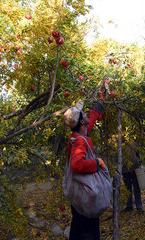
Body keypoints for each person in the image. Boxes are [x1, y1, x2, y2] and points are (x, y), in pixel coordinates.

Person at [63, 91, 106, 240]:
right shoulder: (80, 141)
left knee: (77, 228)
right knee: (88, 232)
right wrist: (97, 162)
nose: (87, 115)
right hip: (85, 195)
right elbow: (77, 165)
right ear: (81, 122)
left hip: (80, 195)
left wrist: (101, 101)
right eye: (84, 114)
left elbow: (92, 119)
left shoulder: (80, 135)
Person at [122, 141, 143, 213]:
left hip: (135, 168)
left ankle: (139, 206)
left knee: (136, 188)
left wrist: (140, 162)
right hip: (124, 169)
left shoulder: (134, 142)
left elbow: (138, 154)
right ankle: (129, 206)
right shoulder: (120, 144)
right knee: (128, 189)